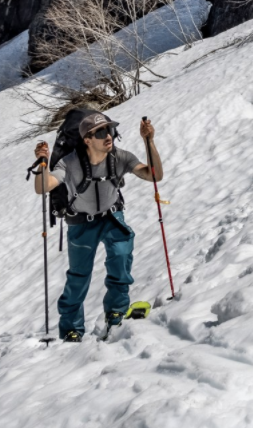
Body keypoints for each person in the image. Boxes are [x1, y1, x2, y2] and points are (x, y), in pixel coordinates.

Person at [36, 109, 164, 342]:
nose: (109, 135)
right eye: (101, 132)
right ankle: (71, 329)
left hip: (112, 217)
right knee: (79, 277)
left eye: (111, 130)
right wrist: (43, 165)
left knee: (121, 257)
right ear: (87, 139)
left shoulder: (120, 157)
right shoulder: (69, 163)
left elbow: (154, 175)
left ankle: (116, 312)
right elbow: (43, 186)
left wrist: (149, 141)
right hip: (81, 223)